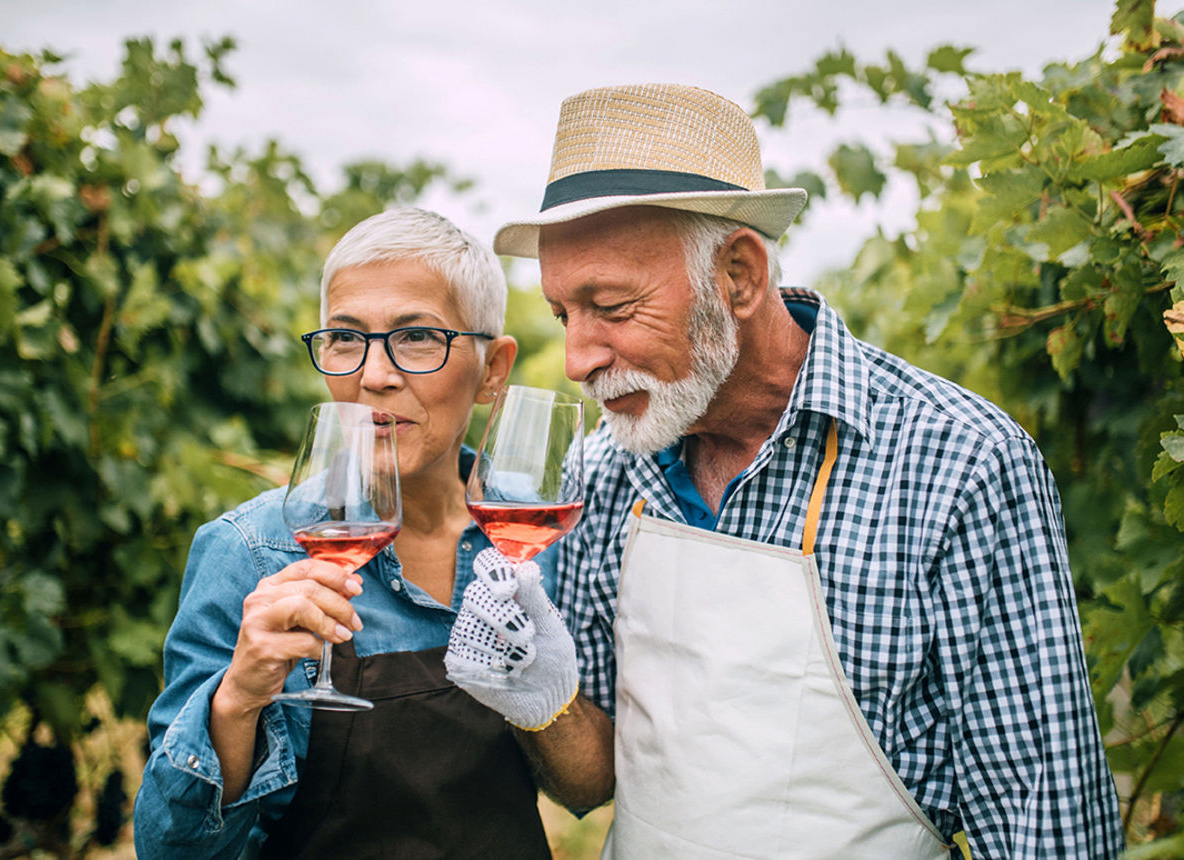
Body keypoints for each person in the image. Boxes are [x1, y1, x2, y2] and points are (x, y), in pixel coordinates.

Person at [446, 83, 1125, 859]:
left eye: (614, 307)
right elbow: (588, 785)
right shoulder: (601, 466)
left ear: (738, 275)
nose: (576, 360)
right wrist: (541, 697)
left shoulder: (958, 463)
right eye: (566, 314)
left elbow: (1046, 830)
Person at [133, 207, 555, 859]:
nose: (374, 375)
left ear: (493, 370)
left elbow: (586, 786)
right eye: (345, 338)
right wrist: (238, 700)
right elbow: (171, 851)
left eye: (417, 337)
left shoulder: (533, 538)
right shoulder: (248, 552)